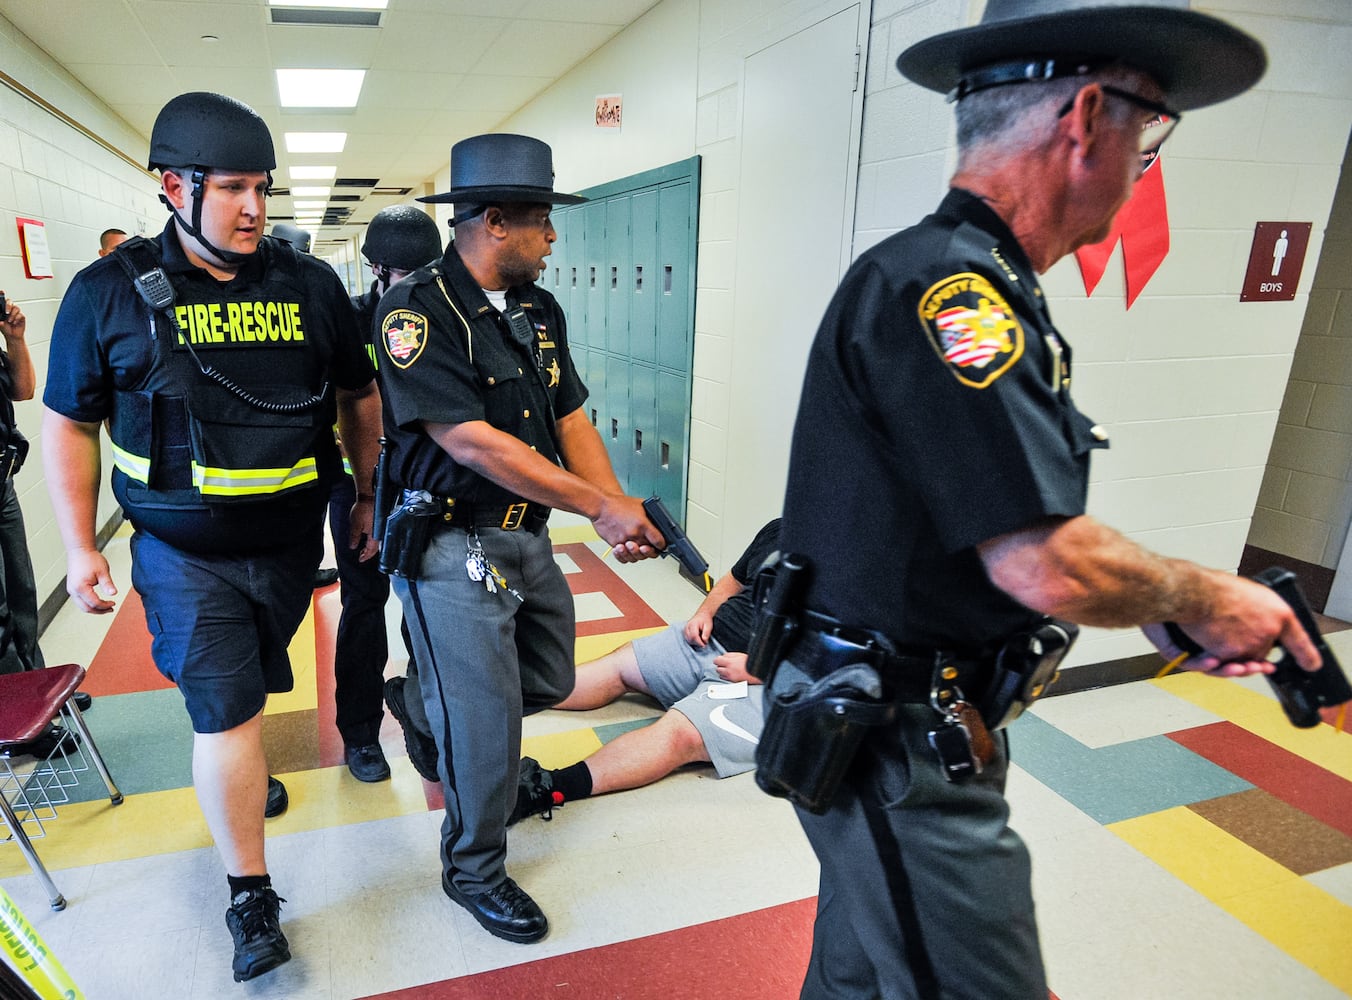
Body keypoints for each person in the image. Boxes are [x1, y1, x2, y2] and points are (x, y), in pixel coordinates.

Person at [766, 4, 1321, 998]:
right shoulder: (951, 292)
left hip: (894, 713)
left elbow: (967, 528)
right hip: (895, 738)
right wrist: (1202, 593)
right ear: (1085, 118)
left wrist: (1154, 600)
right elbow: (1043, 561)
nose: (1144, 159)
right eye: (1148, 127)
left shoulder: (957, 279)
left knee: (857, 977)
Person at [42, 91, 382, 984]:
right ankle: (250, 892)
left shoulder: (309, 287)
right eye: (231, 187)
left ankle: (237, 775)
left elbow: (359, 395)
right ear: (172, 186)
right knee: (226, 707)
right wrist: (82, 547)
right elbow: (69, 422)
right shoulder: (106, 294)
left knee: (250, 695)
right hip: (180, 550)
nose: (253, 208)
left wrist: (366, 495)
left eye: (261, 188)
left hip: (285, 547)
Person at [374, 132, 664, 945]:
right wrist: (598, 509)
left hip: (525, 539)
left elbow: (569, 416)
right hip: (449, 545)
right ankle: (474, 869)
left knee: (548, 673)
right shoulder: (414, 313)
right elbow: (473, 442)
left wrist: (615, 508)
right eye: (542, 221)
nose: (553, 237)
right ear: (494, 222)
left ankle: (424, 705)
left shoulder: (539, 307)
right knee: (489, 727)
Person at [510, 519, 780, 822]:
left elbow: (843, 664)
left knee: (680, 735)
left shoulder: (843, 564)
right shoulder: (782, 529)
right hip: (711, 642)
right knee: (620, 665)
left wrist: (762, 670)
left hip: (780, 683)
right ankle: (492, 699)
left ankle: (547, 788)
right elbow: (733, 580)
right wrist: (704, 613)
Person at [328, 204, 444, 783]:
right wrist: (364, 495)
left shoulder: (445, 318)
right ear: (377, 270)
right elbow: (345, 409)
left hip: (429, 488)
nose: (419, 287)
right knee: (366, 608)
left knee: (431, 613)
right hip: (363, 488)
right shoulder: (351, 325)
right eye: (406, 276)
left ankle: (424, 716)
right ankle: (361, 734)